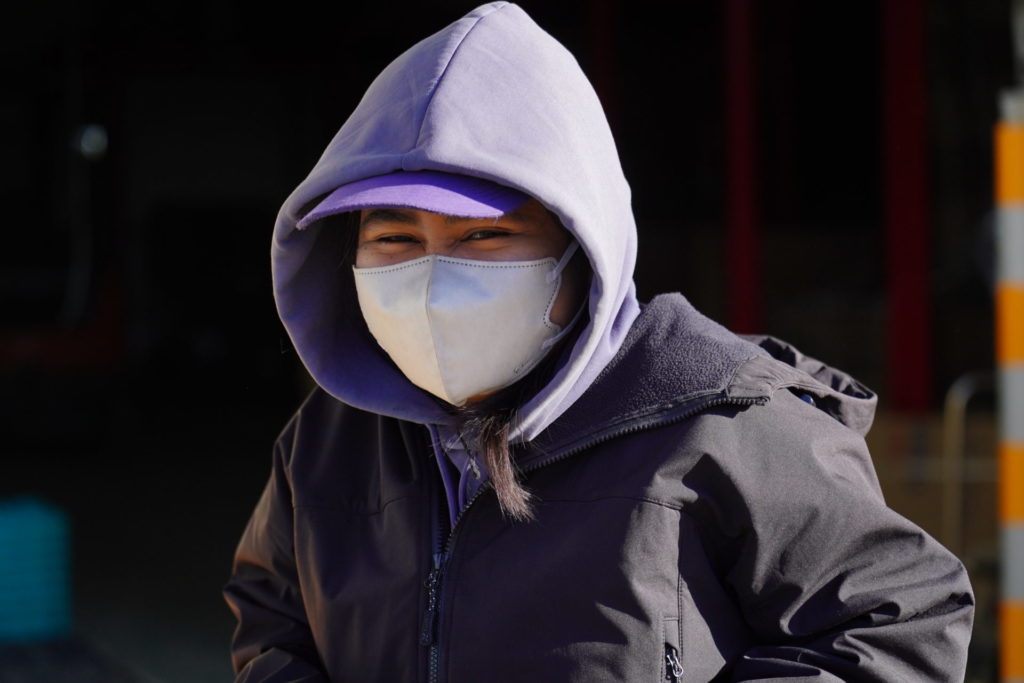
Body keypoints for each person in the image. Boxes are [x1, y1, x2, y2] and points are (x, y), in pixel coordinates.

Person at [223, 3, 974, 681]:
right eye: (395, 238)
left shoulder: (727, 420)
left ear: (584, 248)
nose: (431, 281)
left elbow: (899, 617)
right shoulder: (328, 440)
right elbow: (272, 616)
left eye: (483, 236)